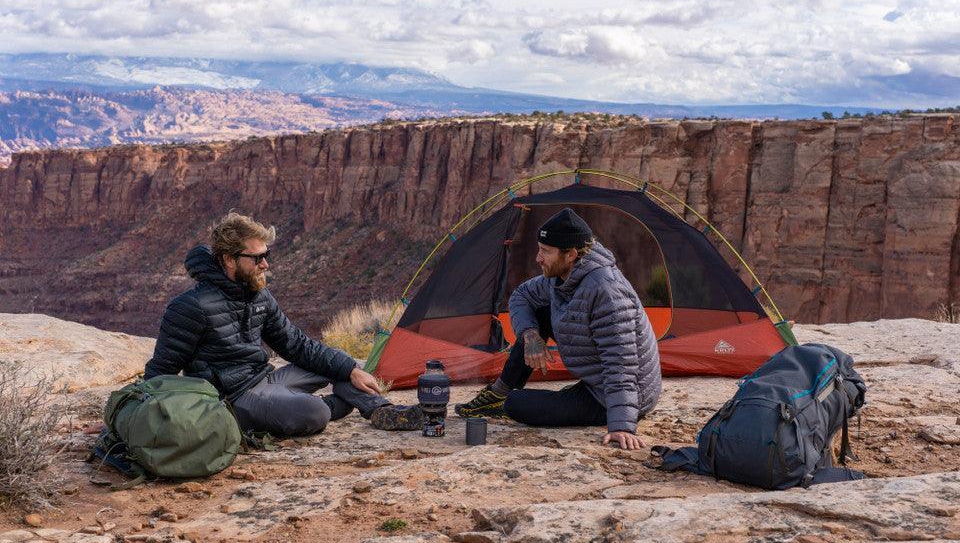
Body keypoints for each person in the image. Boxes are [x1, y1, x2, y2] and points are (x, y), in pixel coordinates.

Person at [143, 212, 422, 436]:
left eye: (267, 255)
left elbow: (295, 344)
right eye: (257, 258)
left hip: (266, 378)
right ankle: (321, 406)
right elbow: (162, 370)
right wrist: (132, 415)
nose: (265, 264)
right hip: (235, 398)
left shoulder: (258, 294)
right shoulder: (190, 307)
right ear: (229, 259)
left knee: (344, 365)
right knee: (315, 413)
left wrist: (348, 369)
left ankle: (382, 411)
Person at [455, 208, 661, 449]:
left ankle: (507, 400)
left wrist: (622, 426)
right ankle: (497, 394)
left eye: (546, 251)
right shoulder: (561, 277)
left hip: (617, 396)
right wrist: (531, 335)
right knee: (537, 316)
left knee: (516, 405)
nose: (538, 258)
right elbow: (521, 296)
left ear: (571, 254)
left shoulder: (607, 292)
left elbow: (621, 364)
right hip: (595, 382)